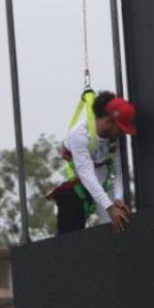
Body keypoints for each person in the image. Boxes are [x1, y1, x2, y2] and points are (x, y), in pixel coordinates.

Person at [46, 90, 136, 235]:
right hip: (77, 186)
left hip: (103, 185)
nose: (123, 133)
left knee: (121, 223)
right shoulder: (80, 134)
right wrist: (109, 207)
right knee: (70, 238)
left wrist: (118, 198)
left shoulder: (115, 137)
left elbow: (119, 169)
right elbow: (86, 174)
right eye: (121, 128)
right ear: (108, 121)